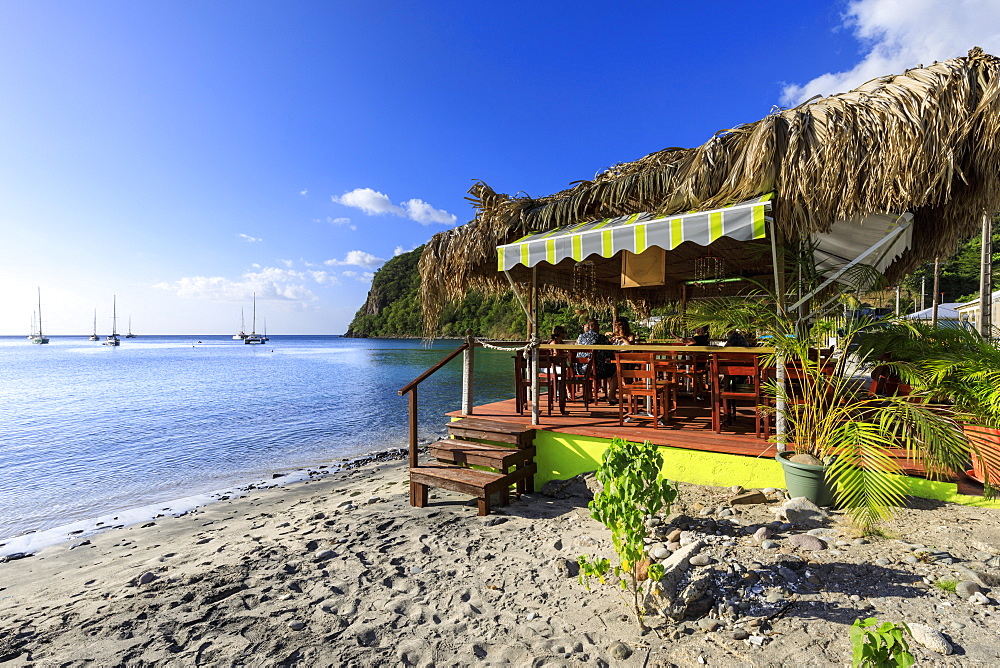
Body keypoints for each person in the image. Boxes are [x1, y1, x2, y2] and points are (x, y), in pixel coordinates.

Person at [576, 319, 618, 404]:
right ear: (593, 326)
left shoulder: (580, 337)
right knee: (616, 371)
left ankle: (588, 395)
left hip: (580, 369)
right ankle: (611, 396)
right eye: (598, 326)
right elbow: (610, 351)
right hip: (598, 370)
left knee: (589, 367)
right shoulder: (601, 337)